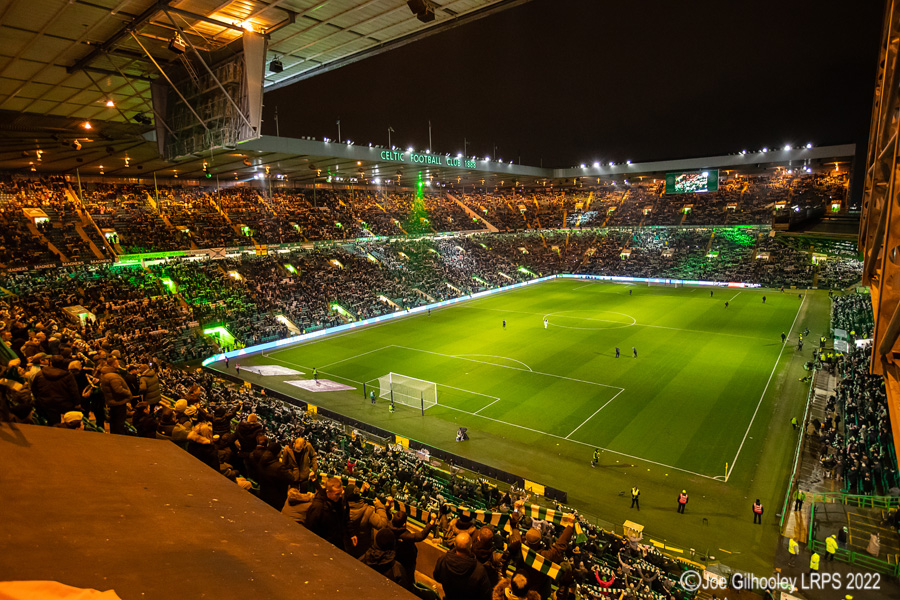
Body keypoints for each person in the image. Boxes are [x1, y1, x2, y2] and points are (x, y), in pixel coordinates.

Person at [433, 531, 492, 600]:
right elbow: (486, 596)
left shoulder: (443, 559)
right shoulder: (479, 570)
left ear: (455, 544)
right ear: (470, 546)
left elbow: (436, 576)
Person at [306, 477, 351, 549]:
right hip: (323, 546)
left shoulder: (341, 500)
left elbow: (345, 518)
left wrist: (351, 533)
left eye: (341, 493)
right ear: (328, 492)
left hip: (338, 543)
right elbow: (310, 530)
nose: (340, 496)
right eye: (337, 494)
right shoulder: (317, 507)